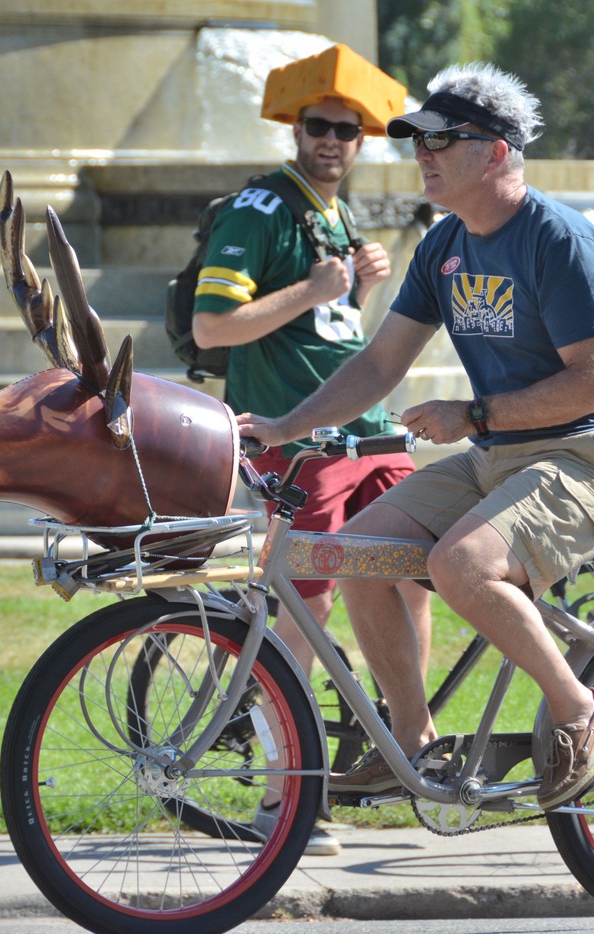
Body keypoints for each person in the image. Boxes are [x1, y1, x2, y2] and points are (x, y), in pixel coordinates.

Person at [237, 62, 594, 812]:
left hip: (592, 458)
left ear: (495, 152)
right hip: (502, 458)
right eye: (416, 140)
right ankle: (414, 744)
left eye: (440, 140)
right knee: (353, 554)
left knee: (459, 567)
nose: (420, 154)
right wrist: (286, 428)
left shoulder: (558, 239)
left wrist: (475, 415)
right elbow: (380, 362)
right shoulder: (444, 247)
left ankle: (583, 708)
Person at [190, 47, 432, 854]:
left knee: (411, 580)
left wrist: (355, 289)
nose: (333, 140)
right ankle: (284, 799)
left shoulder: (334, 216)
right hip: (298, 445)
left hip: (366, 434)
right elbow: (212, 327)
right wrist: (316, 290)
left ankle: (405, 750)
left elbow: (332, 338)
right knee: (306, 608)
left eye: (348, 129)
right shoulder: (259, 210)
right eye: (318, 126)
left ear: (364, 140)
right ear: (296, 129)